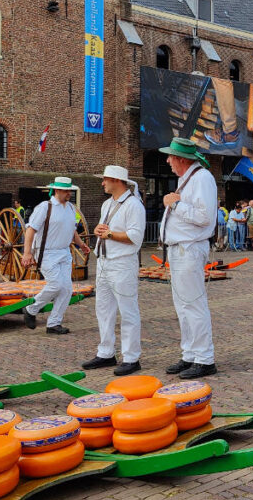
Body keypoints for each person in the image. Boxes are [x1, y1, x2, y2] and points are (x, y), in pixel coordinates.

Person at [159, 137, 218, 378]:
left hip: (189, 249)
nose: (168, 160)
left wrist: (174, 205)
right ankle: (191, 354)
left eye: (171, 156)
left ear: (181, 159)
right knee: (183, 305)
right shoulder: (189, 178)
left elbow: (204, 217)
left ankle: (204, 358)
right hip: (181, 248)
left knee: (193, 303)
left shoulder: (202, 178)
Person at [83, 165, 146, 375]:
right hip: (104, 261)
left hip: (122, 263)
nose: (102, 183)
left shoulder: (134, 205)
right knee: (103, 309)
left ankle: (131, 357)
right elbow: (104, 229)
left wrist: (109, 235)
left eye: (105, 179)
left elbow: (135, 237)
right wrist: (98, 230)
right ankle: (106, 352)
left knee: (128, 310)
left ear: (117, 181)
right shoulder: (107, 204)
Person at [22, 177, 91, 334]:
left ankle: (54, 323)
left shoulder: (71, 208)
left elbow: (72, 229)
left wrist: (81, 244)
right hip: (46, 252)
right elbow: (31, 229)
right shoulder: (45, 207)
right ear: (57, 190)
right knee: (56, 284)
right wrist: (27, 253)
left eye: (70, 190)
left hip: (64, 252)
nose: (69, 193)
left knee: (66, 289)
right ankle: (31, 309)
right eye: (66, 190)